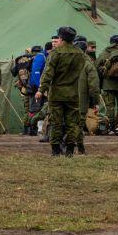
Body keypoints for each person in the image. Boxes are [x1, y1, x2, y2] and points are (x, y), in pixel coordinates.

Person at [36, 26, 85, 156]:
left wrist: (41, 90)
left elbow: (48, 74)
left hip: (56, 94)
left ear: (61, 38)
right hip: (73, 94)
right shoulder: (80, 53)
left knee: (56, 123)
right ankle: (70, 151)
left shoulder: (55, 53)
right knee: (72, 124)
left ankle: (56, 151)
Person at [74, 37, 100, 154]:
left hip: (64, 97)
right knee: (79, 123)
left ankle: (60, 145)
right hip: (81, 100)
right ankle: (79, 147)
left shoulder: (65, 61)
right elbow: (93, 86)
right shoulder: (88, 64)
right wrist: (95, 102)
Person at [12, 48, 36, 135]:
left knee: (28, 110)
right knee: (31, 110)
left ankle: (27, 129)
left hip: (25, 89)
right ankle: (30, 130)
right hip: (29, 89)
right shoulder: (29, 62)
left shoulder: (21, 62)